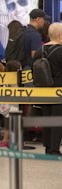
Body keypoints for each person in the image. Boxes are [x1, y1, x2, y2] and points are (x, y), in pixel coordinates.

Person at [33, 23, 62, 155]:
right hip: (58, 91)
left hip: (43, 90)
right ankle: (54, 149)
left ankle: (48, 147)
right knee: (57, 119)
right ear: (60, 35)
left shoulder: (40, 50)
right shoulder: (60, 51)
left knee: (47, 118)